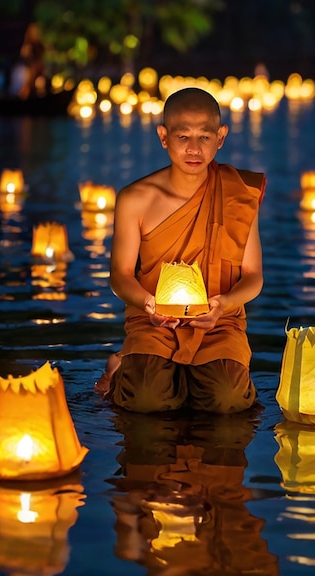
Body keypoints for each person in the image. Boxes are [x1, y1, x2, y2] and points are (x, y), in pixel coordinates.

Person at [96, 87, 266, 414]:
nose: (193, 148)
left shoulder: (238, 193)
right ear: (163, 136)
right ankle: (118, 369)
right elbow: (119, 276)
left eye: (204, 137)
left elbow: (253, 276)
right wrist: (148, 304)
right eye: (182, 136)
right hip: (152, 320)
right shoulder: (136, 199)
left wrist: (223, 304)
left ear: (221, 137)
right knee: (146, 400)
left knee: (227, 401)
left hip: (219, 322)